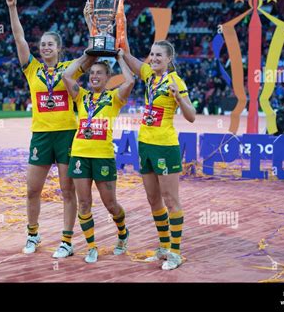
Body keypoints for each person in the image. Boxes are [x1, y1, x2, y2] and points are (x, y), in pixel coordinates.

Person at [6, 0, 94, 258]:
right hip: (41, 135)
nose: (45, 47)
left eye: (50, 44)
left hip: (67, 134)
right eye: (42, 44)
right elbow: (20, 40)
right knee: (33, 189)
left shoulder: (70, 70)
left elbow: (92, 52)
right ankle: (33, 234)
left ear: (58, 48)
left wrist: (88, 19)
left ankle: (67, 241)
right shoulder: (32, 69)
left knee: (68, 191)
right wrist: (12, 8)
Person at [122, 16, 196, 270]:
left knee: (170, 199)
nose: (153, 58)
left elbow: (191, 116)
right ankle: (164, 246)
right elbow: (128, 56)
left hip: (165, 145)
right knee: (154, 199)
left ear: (168, 59)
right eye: (151, 54)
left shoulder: (175, 82)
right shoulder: (148, 76)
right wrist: (122, 24)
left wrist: (179, 98)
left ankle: (175, 252)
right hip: (145, 144)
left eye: (158, 56)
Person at [62, 49, 135, 263]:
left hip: (103, 157)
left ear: (107, 77)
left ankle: (123, 232)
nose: (94, 76)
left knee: (110, 204)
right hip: (79, 155)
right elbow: (67, 75)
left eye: (99, 73)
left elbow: (130, 81)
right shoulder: (81, 95)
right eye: (92, 72)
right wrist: (87, 56)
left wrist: (120, 58)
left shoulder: (114, 98)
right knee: (84, 203)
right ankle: (91, 247)